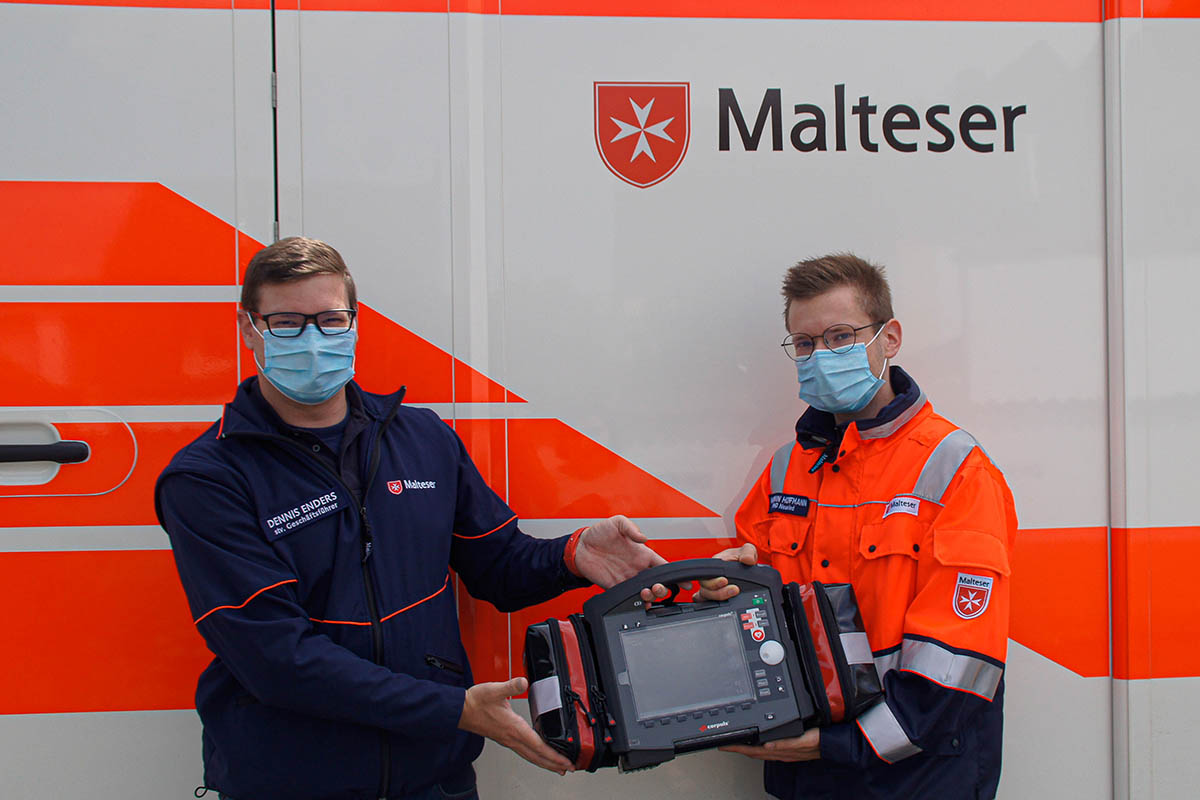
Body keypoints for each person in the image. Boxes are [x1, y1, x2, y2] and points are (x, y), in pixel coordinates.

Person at [155, 237, 667, 800]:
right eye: (286, 323)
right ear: (249, 329)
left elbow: (497, 566)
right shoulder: (208, 478)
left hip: (433, 778)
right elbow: (276, 658)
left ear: (353, 324)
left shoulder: (420, 437)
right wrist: (451, 708)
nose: (312, 339)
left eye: (329, 319)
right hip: (293, 780)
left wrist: (572, 554)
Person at [700, 253, 1016, 799]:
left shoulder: (955, 469)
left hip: (920, 777)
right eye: (804, 344)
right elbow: (755, 615)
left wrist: (839, 744)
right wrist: (720, 594)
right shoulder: (786, 468)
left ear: (889, 339)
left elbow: (960, 661)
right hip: (807, 773)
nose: (820, 356)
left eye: (840, 337)